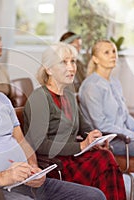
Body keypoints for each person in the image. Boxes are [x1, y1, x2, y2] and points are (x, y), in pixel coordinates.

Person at [0, 35, 106, 200]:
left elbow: (22, 143)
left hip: (23, 182)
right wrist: (2, 177)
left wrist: (33, 169)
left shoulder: (1, 99)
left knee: (94, 196)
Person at [23, 42, 126, 200]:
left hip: (72, 156)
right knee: (104, 160)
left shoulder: (69, 95)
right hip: (54, 165)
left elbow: (84, 127)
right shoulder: (40, 98)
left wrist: (95, 138)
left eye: (73, 61)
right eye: (64, 62)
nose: (71, 67)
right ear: (49, 69)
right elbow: (39, 144)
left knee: (104, 154)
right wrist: (81, 145)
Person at [78, 39, 134, 159]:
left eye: (114, 51)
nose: (113, 55)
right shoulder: (91, 87)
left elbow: (125, 117)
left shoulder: (115, 82)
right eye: (106, 52)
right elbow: (101, 125)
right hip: (110, 142)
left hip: (126, 137)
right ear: (95, 59)